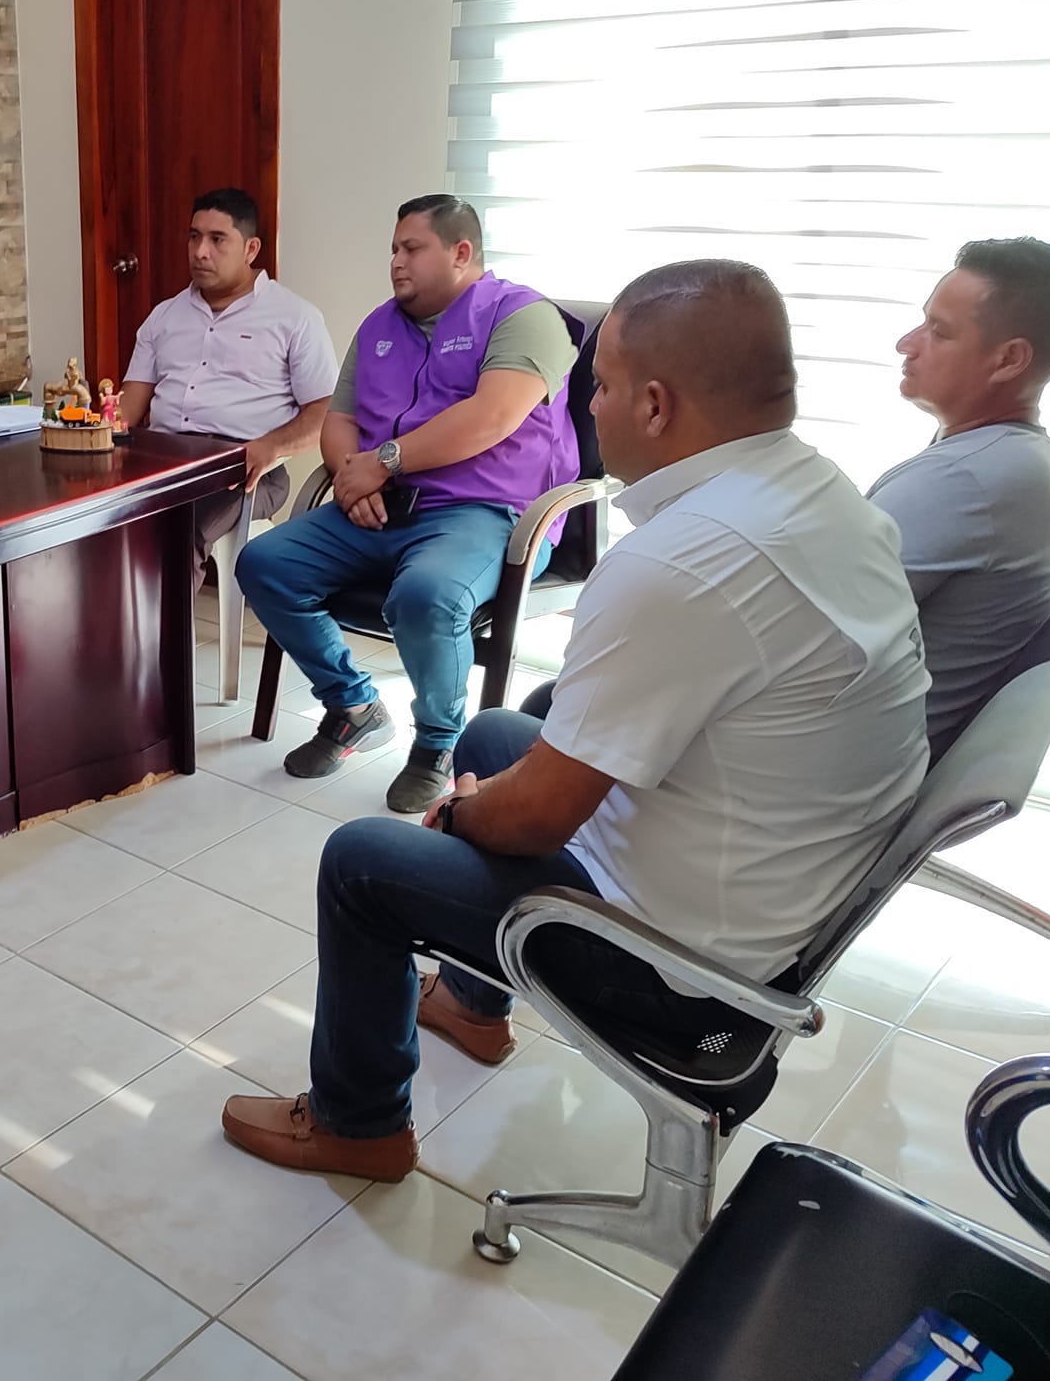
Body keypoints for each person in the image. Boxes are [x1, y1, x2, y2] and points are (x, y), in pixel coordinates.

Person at [219, 260, 929, 1182]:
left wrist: (460, 815)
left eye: (602, 385)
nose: (587, 406)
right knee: (494, 735)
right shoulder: (821, 492)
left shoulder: (686, 560)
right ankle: (472, 1005)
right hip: (770, 885)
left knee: (363, 861)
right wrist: (489, 794)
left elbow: (535, 818)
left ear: (658, 405)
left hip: (688, 970)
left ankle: (359, 1128)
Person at [234, 195, 580, 814]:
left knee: (426, 596)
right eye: (393, 248)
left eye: (411, 248)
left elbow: (492, 417)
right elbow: (339, 420)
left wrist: (383, 463)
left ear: (461, 252)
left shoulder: (524, 316)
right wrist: (353, 478)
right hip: (382, 506)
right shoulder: (378, 326)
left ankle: (439, 743)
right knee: (265, 564)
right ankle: (353, 705)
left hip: (487, 512)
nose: (396, 261)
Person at [869, 238, 1050, 758]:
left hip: (844, 776)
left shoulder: (964, 481)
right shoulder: (1012, 458)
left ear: (1009, 359)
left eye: (938, 331)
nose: (906, 344)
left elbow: (796, 630)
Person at [116, 188, 338, 577]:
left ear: (251, 249)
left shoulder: (294, 318)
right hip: (162, 460)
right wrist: (83, 428)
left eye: (217, 239)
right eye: (194, 237)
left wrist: (271, 446)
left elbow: (326, 414)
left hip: (244, 469)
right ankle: (111, 617)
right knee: (90, 519)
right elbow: (127, 408)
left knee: (174, 532)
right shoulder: (164, 316)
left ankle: (163, 621)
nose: (200, 251)